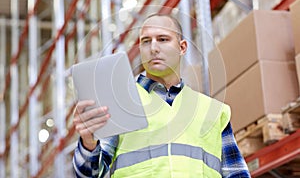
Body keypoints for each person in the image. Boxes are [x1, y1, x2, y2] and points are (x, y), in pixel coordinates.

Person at [72, 13, 250, 177]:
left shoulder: (213, 111)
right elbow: (91, 174)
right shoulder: (120, 102)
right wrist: (88, 143)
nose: (154, 48)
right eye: (146, 41)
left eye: (163, 39)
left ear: (182, 47)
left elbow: (237, 174)